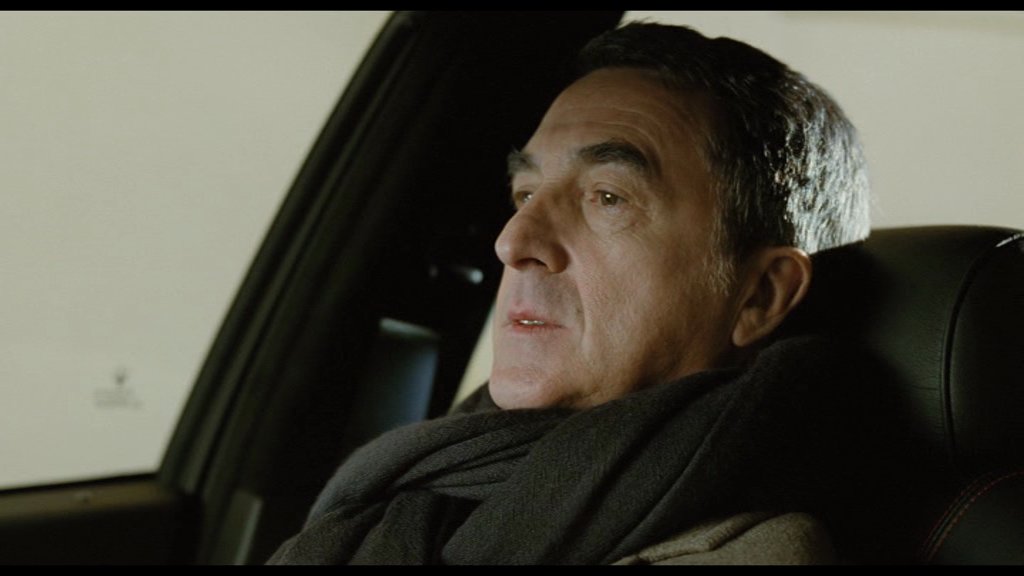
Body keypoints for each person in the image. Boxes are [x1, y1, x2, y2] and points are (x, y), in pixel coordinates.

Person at [268, 21, 871, 565]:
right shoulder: (430, 487)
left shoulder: (747, 554)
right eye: (525, 194)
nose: (513, 241)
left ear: (760, 295)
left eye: (608, 197)